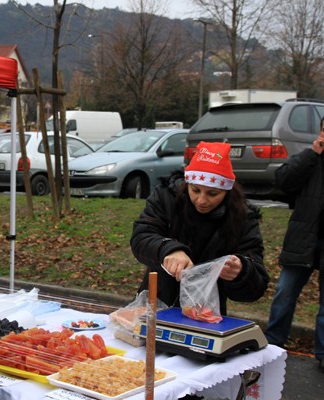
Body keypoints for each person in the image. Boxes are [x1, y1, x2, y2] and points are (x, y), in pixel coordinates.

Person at [131, 141, 270, 316]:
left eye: (212, 194)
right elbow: (141, 237)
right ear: (187, 183)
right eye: (195, 190)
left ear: (226, 190)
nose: (202, 200)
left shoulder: (243, 218)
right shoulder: (166, 197)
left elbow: (256, 287)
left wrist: (241, 272)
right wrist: (168, 250)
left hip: (205, 314)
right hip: (156, 305)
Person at [266, 117, 324, 371]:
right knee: (285, 292)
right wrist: (312, 154)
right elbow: (283, 181)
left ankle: (322, 352)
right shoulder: (310, 158)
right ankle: (273, 343)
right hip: (303, 237)